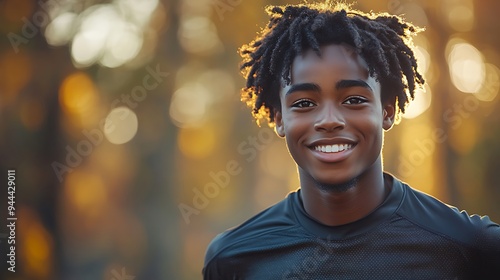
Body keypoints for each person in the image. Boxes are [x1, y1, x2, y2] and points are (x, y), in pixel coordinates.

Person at [202, 1, 500, 279]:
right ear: (279, 119)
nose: (329, 120)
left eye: (354, 99)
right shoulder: (233, 259)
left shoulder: (471, 248)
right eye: (304, 103)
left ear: (388, 110)